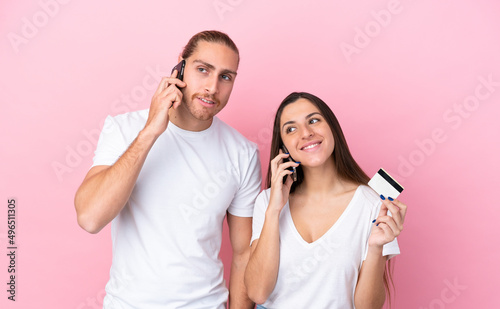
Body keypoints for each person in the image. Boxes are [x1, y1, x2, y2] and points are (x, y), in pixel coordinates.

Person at [74, 30, 261, 309]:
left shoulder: (243, 153)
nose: (212, 87)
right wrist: (150, 131)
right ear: (180, 67)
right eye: (202, 70)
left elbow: (244, 254)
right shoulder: (125, 129)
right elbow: (90, 218)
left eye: (225, 77)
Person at [244, 92, 407, 308]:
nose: (306, 133)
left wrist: (376, 247)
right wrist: (274, 210)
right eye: (291, 129)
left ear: (332, 128)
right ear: (284, 148)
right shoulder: (267, 201)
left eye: (313, 120)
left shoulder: (373, 204)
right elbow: (257, 292)